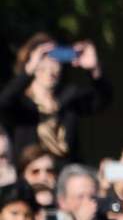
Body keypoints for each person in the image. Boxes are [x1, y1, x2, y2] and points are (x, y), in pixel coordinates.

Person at [0, 35, 113, 163]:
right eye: (44, 58)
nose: (50, 68)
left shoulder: (69, 98)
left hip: (67, 175)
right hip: (32, 174)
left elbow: (102, 100)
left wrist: (94, 70)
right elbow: (4, 102)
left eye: (56, 59)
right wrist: (28, 71)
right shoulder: (20, 101)